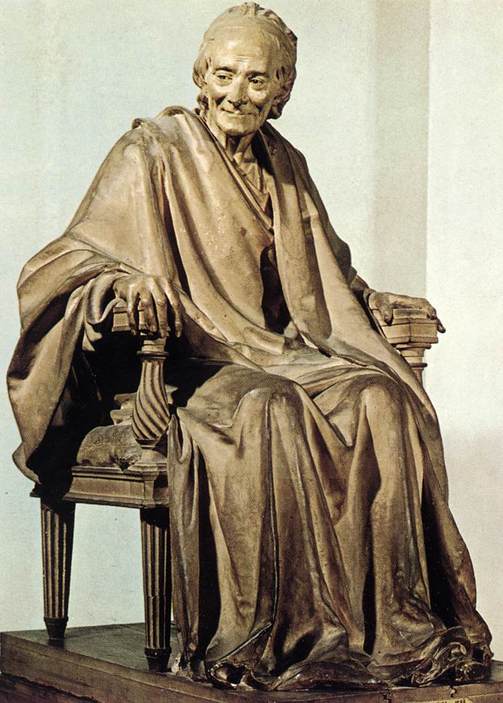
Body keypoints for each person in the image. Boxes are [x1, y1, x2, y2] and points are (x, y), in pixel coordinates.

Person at [8, 2, 491, 692]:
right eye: (225, 75)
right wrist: (125, 281)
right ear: (201, 76)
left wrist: (370, 300)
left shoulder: (285, 165)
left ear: (281, 89)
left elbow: (324, 274)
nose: (238, 93)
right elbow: (62, 264)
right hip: (187, 362)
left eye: (257, 79)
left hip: (275, 351)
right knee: (271, 409)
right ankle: (276, 634)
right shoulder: (152, 152)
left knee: (383, 399)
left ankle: (390, 627)